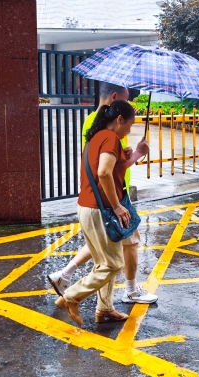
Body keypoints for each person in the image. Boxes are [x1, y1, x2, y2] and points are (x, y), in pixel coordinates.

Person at [48, 83, 157, 304]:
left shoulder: (96, 128)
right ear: (118, 114)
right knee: (114, 260)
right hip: (108, 202)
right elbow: (104, 172)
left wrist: (126, 153)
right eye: (129, 122)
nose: (129, 128)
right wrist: (117, 206)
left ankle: (102, 305)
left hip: (100, 201)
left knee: (105, 256)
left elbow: (107, 163)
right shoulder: (109, 136)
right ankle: (76, 295)